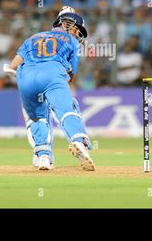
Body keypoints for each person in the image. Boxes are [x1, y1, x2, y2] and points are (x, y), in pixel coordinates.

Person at [9, 9, 95, 171]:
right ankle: (79, 141)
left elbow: (13, 65)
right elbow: (71, 74)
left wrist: (20, 77)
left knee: (37, 117)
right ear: (67, 25)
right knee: (67, 110)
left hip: (26, 77)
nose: (78, 34)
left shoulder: (33, 37)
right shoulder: (72, 41)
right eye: (77, 29)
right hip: (52, 74)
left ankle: (43, 157)